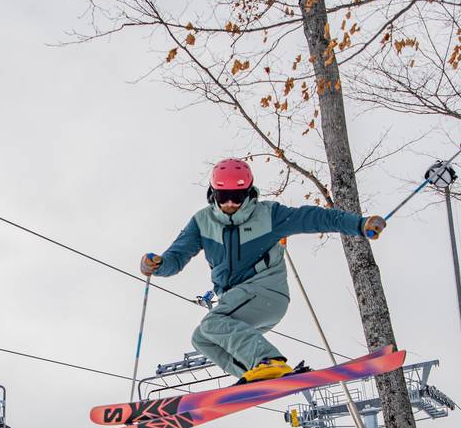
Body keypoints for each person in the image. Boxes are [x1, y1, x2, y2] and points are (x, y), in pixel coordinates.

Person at [140, 158, 386, 383]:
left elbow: (316, 218)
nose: (230, 204)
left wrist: (359, 224)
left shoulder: (268, 215)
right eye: (223, 196)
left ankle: (268, 362)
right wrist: (158, 265)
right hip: (236, 300)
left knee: (212, 323)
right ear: (212, 193)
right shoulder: (202, 222)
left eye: (237, 197)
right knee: (202, 338)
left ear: (248, 193)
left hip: (266, 292)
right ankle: (257, 376)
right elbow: (177, 256)